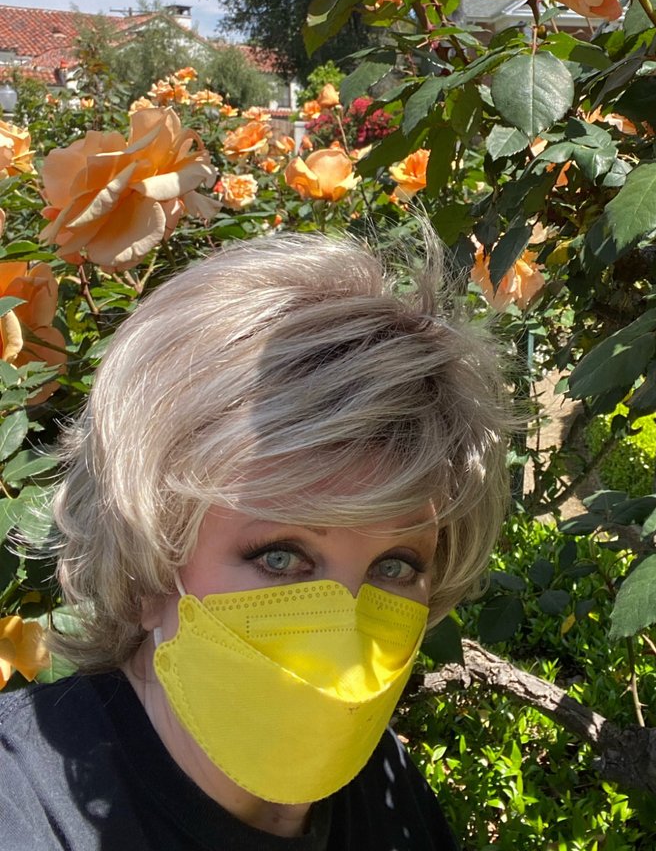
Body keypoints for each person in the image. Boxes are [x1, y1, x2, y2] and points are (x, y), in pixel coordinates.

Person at [0, 233, 511, 849]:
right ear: (147, 567)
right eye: (281, 557)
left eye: (395, 567)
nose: (342, 641)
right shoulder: (22, 807)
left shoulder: (385, 785)